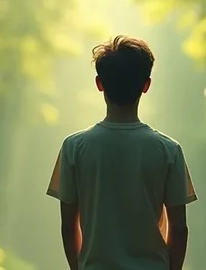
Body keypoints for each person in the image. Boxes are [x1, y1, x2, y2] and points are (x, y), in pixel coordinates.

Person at [46, 35, 197, 270]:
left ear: (100, 83)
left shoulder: (74, 148)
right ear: (146, 85)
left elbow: (68, 225)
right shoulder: (169, 151)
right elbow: (179, 229)